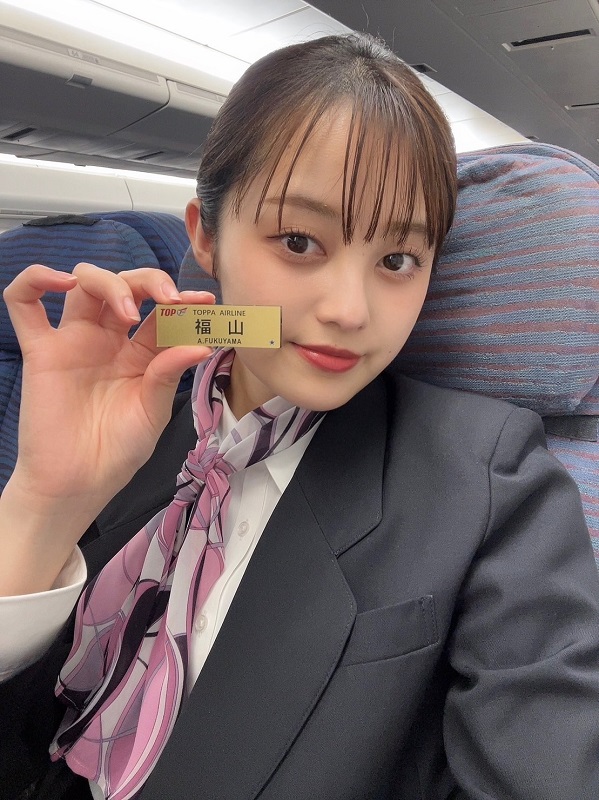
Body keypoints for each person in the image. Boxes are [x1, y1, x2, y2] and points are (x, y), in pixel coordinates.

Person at [0, 32, 598, 800]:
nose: (348, 311)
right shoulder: (132, 412)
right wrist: (46, 503)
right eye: (298, 241)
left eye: (397, 260)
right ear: (205, 237)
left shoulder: (488, 474)